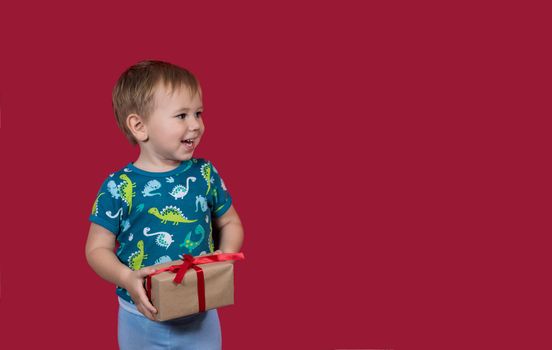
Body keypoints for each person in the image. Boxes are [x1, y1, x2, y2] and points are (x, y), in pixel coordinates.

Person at [85, 60, 245, 350]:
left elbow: (230, 222)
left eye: (198, 113)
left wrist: (226, 256)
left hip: (201, 315)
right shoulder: (118, 186)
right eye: (182, 115)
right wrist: (125, 276)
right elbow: (96, 249)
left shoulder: (205, 174)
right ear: (139, 126)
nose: (196, 124)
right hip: (140, 317)